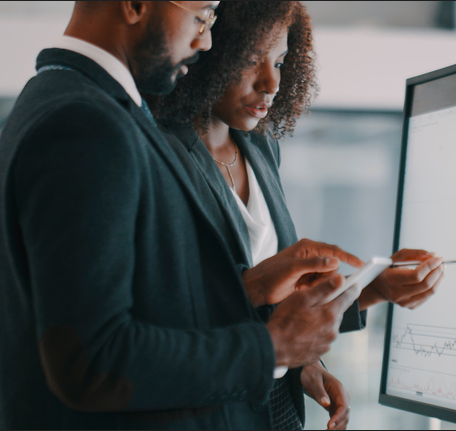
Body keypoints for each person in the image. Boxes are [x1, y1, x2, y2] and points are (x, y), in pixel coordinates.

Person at [0, 2, 364, 429]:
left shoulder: (70, 102)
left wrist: (255, 288)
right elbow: (93, 360)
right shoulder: (86, 124)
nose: (207, 40)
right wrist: (271, 347)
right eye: (202, 14)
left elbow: (131, 306)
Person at [148, 2, 447, 429]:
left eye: (281, 61)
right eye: (252, 59)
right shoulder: (159, 155)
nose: (271, 82)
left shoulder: (261, 148)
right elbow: (179, 313)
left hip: (279, 414)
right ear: (209, 50)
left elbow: (278, 304)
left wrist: (370, 294)